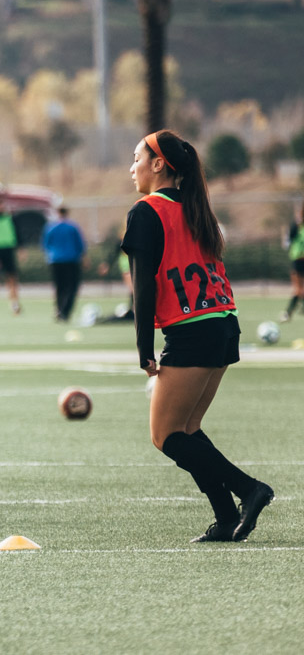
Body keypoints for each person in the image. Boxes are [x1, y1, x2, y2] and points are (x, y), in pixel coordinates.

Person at [123, 129, 273, 543]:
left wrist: (143, 350)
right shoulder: (195, 208)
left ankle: (249, 490)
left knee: (166, 436)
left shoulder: (146, 211)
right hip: (224, 324)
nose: (131, 166)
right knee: (187, 429)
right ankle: (226, 517)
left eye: (136, 157)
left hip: (194, 330)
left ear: (158, 165)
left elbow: (144, 287)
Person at [41, 206, 86, 322]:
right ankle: (65, 311)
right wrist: (84, 258)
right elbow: (80, 245)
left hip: (55, 260)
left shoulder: (50, 227)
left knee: (59, 287)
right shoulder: (73, 227)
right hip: (71, 260)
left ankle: (59, 309)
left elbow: (45, 244)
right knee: (72, 286)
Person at [0, 198, 21, 315]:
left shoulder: (10, 218)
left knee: (11, 278)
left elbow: (17, 234)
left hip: (8, 250)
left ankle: (14, 303)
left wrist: (21, 248)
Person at [282, 202, 304, 321]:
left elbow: (287, 243)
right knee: (300, 290)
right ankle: (288, 313)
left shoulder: (296, 225)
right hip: (298, 260)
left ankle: (288, 313)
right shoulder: (296, 225)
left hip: (298, 260)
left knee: (299, 290)